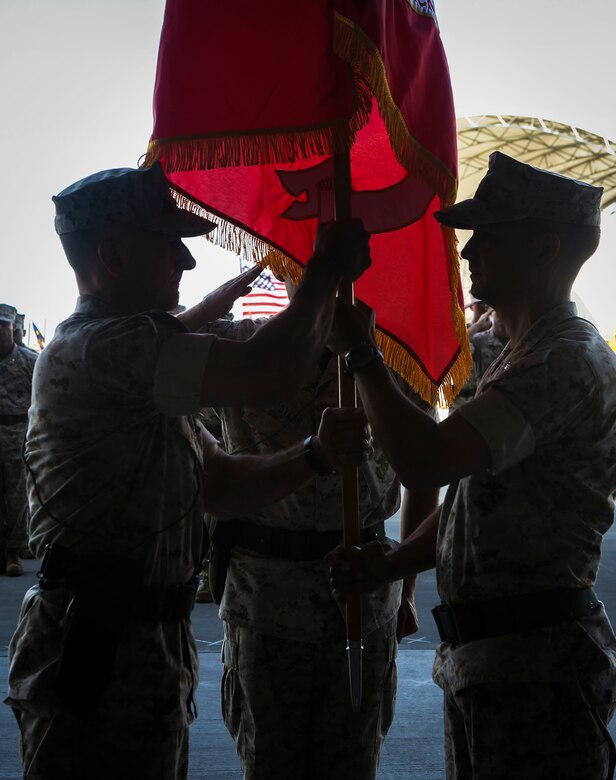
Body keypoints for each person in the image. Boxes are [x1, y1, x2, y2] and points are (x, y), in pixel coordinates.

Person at [5, 162, 372, 780]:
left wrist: (313, 455)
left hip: (143, 644)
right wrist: (325, 272)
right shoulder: (103, 347)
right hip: (99, 644)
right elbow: (269, 372)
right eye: (168, 244)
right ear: (113, 254)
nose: (187, 262)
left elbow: (221, 485)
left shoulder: (141, 362)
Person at [326, 151, 616, 780]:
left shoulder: (563, 363)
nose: (467, 252)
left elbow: (426, 462)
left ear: (545, 250)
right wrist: (394, 562)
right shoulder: (513, 355)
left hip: (537, 670)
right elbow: (473, 502)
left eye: (489, 236)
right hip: (494, 663)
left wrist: (361, 354)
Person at [202, 296, 439, 780]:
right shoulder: (241, 346)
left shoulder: (392, 354)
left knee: (353, 759)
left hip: (363, 593)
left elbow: (423, 467)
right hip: (266, 601)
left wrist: (407, 586)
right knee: (268, 761)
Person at [0, 303, 38, 576]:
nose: (0, 331)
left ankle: (13, 550)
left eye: (4, 326)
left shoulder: (30, 360)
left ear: (13, 328)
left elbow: (43, 400)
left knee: (16, 495)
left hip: (17, 433)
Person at [451, 309, 509, 410]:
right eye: (498, 310)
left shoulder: (519, 342)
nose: (502, 316)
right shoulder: (478, 340)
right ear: (491, 313)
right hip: (470, 408)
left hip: (501, 408)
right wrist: (478, 325)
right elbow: (452, 349)